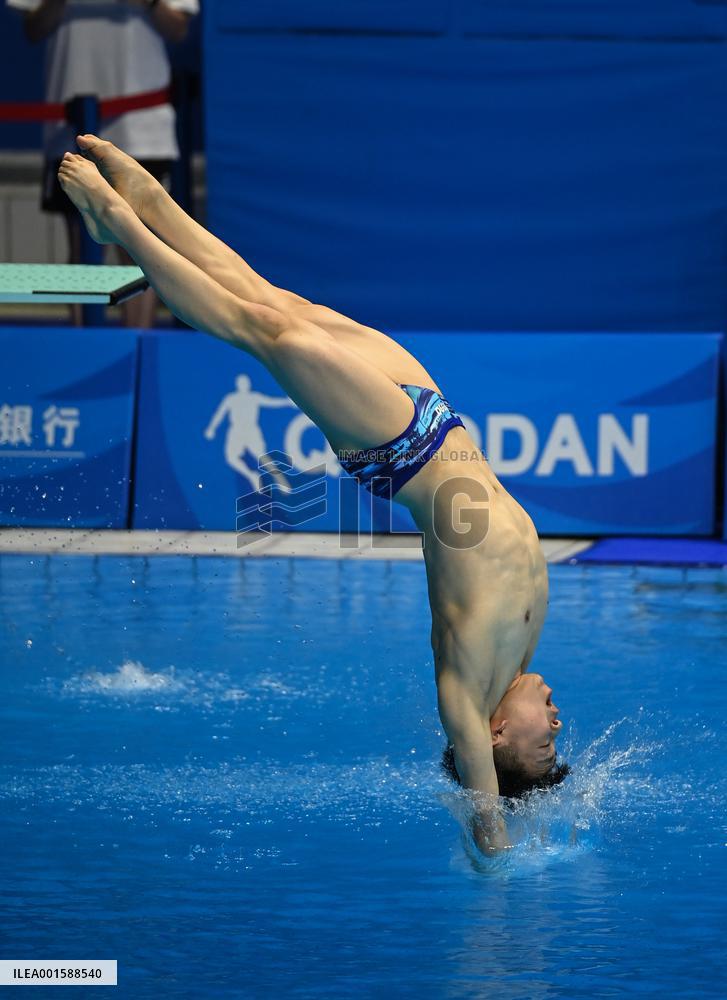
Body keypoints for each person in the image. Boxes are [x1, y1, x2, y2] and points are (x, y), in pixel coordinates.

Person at [57, 135, 570, 852]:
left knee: (262, 330)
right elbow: (511, 773)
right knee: (277, 301)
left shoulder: (464, 689)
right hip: (434, 418)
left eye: (545, 743)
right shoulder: (516, 654)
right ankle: (153, 204)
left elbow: (486, 821)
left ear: (495, 735)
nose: (556, 723)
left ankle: (121, 227)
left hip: (400, 451)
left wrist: (498, 847)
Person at [7, 0, 199, 327]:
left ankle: (137, 346)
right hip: (70, 125)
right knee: (82, 247)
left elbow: (178, 27)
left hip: (141, 127)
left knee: (141, 248)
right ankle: (84, 347)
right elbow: (33, 28)